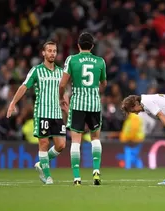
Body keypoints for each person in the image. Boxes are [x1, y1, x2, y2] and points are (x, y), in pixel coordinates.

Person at [7, 41, 67, 185]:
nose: (52, 53)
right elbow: (24, 87)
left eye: (54, 51)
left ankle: (41, 164)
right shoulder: (36, 70)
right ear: (43, 53)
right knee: (44, 142)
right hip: (42, 112)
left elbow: (63, 90)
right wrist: (13, 103)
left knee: (61, 145)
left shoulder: (60, 72)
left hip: (57, 113)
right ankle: (47, 176)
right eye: (49, 51)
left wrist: (66, 104)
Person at [59, 32, 107, 186]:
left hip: (78, 104)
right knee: (95, 139)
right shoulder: (100, 61)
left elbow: (62, 84)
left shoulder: (72, 60)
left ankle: (77, 178)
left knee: (76, 141)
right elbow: (104, 84)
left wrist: (61, 97)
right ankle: (96, 171)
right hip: (94, 104)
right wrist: (94, 90)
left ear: (78, 45)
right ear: (92, 46)